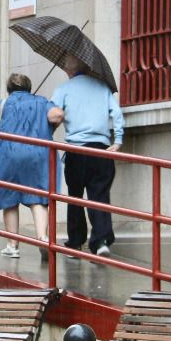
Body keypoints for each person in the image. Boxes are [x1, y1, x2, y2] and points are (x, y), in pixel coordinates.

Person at [47, 54, 124, 256]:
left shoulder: (63, 89)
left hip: (77, 150)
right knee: (99, 196)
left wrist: (48, 134)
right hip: (101, 149)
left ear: (68, 70)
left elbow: (52, 115)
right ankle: (100, 242)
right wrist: (118, 141)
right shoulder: (102, 87)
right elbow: (116, 114)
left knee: (76, 197)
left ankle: (75, 242)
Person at [0, 73, 55, 262]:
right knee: (38, 197)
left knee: (10, 199)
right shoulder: (43, 102)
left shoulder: (1, 105)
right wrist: (48, 129)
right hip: (37, 155)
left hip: (8, 154)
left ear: (9, 88)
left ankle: (13, 246)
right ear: (29, 87)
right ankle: (43, 238)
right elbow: (57, 115)